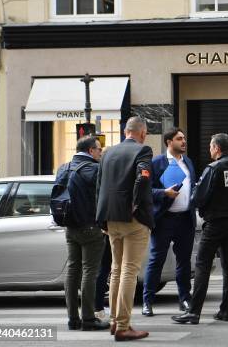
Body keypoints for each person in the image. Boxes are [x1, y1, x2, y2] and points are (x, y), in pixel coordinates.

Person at [172, 133, 228, 324]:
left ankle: (193, 312)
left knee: (202, 265)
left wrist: (196, 204)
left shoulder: (214, 168)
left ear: (216, 148)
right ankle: (226, 311)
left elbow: (198, 197)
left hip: (215, 223)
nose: (209, 149)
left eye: (210, 146)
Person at [96, 116, 154, 341]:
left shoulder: (108, 152)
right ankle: (123, 325)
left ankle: (114, 321)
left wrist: (101, 218)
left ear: (125, 131)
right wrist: (136, 204)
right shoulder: (143, 150)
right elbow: (144, 177)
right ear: (142, 132)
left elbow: (100, 186)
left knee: (117, 270)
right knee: (129, 270)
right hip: (133, 219)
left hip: (110, 217)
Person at [142, 128, 197, 316]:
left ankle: (184, 300)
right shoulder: (157, 163)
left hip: (185, 219)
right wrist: (163, 193)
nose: (184, 142)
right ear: (168, 142)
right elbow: (145, 191)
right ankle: (147, 301)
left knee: (184, 262)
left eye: (184, 138)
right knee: (156, 260)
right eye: (179, 139)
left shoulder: (187, 162)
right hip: (164, 219)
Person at [58, 135, 110, 331]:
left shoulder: (63, 167)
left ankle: (73, 318)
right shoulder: (94, 169)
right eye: (98, 149)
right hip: (90, 226)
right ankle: (88, 318)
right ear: (90, 151)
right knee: (90, 271)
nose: (100, 152)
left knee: (73, 270)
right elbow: (104, 196)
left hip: (70, 227)